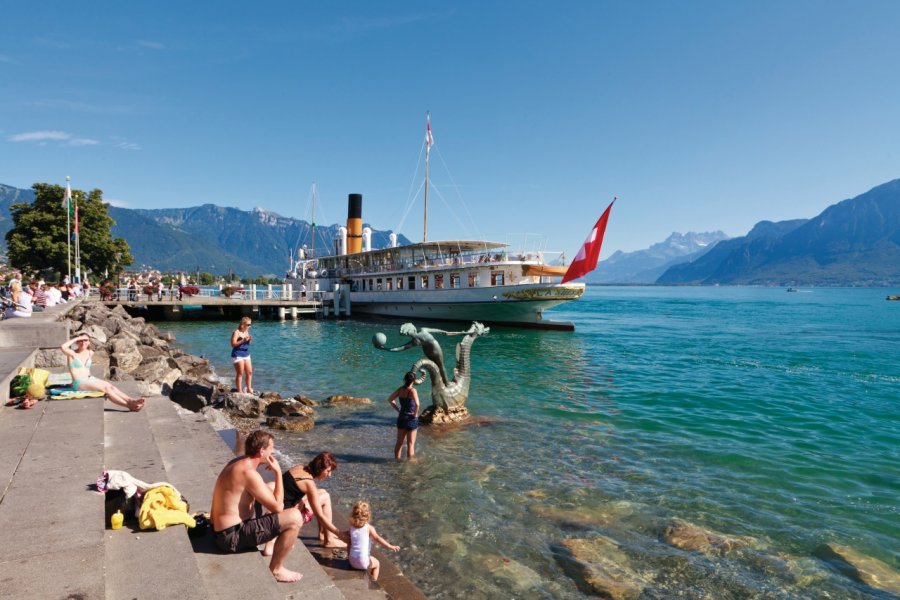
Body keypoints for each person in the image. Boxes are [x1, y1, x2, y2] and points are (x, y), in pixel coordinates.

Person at [210, 430, 304, 583]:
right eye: (271, 448)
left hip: (220, 530)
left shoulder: (238, 462)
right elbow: (278, 508)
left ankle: (274, 543)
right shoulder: (249, 473)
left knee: (272, 487)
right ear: (262, 451)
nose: (273, 452)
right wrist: (278, 472)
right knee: (295, 517)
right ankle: (277, 569)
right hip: (231, 537)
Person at [60, 334, 145, 411]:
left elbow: (85, 368)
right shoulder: (72, 354)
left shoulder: (90, 353)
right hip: (79, 382)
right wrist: (78, 338)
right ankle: (129, 405)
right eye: (81, 340)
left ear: (89, 342)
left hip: (89, 379)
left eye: (85, 340)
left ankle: (131, 400)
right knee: (106, 390)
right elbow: (63, 347)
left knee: (110, 386)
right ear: (77, 342)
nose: (83, 342)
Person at [281, 452, 347, 548]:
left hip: (282, 510)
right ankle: (329, 540)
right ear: (320, 468)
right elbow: (320, 515)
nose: (329, 475)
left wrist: (300, 502)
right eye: (328, 471)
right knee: (325, 497)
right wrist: (340, 534)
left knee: (323, 492)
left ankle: (323, 534)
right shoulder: (309, 483)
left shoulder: (300, 468)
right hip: (287, 520)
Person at [347, 501, 400, 581]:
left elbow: (349, 544)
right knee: (377, 564)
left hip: (352, 561)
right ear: (368, 516)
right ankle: (373, 582)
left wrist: (349, 557)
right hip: (363, 563)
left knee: (364, 557)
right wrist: (390, 546)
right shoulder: (369, 528)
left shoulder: (351, 528)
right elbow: (378, 538)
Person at [387, 371, 420, 460]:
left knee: (399, 442)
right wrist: (415, 415)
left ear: (405, 379)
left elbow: (390, 399)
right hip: (411, 419)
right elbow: (417, 404)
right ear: (414, 380)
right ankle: (410, 465)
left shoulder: (400, 389)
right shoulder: (413, 390)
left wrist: (398, 409)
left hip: (401, 417)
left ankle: (397, 461)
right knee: (410, 444)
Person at [230, 316, 255, 394]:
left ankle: (248, 389)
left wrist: (249, 340)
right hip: (237, 354)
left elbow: (248, 344)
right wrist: (243, 340)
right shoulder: (236, 332)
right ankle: (240, 391)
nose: (249, 326)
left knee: (249, 372)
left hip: (246, 354)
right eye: (248, 324)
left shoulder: (246, 332)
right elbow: (233, 344)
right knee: (240, 373)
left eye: (250, 325)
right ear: (243, 324)